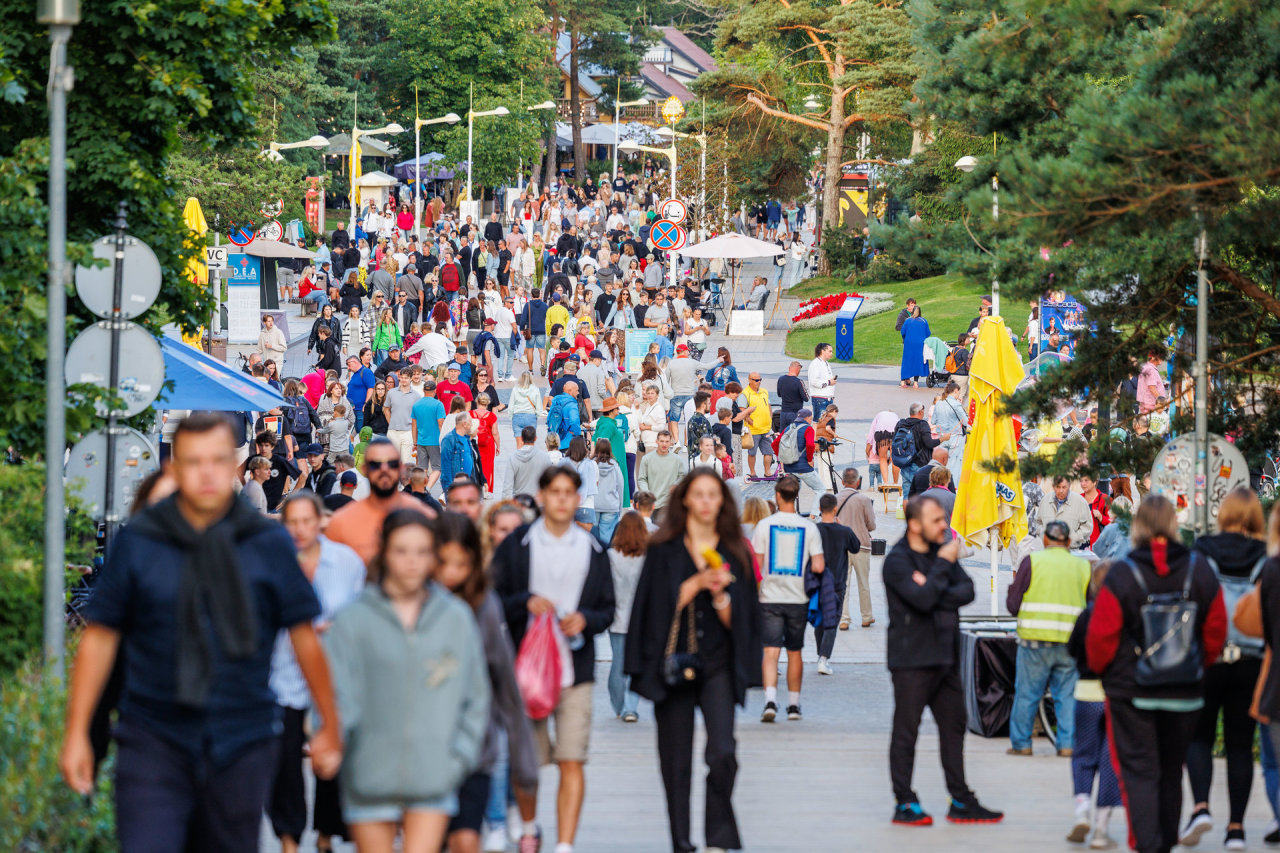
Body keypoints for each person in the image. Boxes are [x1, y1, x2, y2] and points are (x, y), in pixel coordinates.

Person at [59, 414, 344, 850]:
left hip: (241, 736)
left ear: (233, 464)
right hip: (153, 735)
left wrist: (328, 722)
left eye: (217, 459)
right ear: (175, 469)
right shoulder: (141, 543)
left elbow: (304, 636)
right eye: (194, 461)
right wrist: (77, 732)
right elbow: (99, 638)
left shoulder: (266, 543)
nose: (207, 471)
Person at [323, 509, 490, 853]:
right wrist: (332, 740)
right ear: (384, 552)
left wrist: (458, 759)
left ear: (433, 556)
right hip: (368, 773)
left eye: (421, 552)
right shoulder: (354, 618)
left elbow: (475, 695)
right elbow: (335, 689)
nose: (412, 562)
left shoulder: (455, 619)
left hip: (434, 774)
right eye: (401, 551)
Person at [625, 470, 761, 853]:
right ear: (685, 499)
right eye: (698, 494)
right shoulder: (664, 550)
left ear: (721, 502)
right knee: (676, 761)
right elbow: (647, 610)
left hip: (718, 663)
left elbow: (744, 621)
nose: (705, 502)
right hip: (673, 664)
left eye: (712, 495)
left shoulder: (735, 551)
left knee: (722, 752)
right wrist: (689, 588)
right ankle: (682, 842)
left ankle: (718, 837)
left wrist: (719, 596)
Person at [1085, 495, 1226, 853]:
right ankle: (1164, 843)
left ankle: (1149, 846)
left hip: (1132, 692)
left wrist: (1109, 675)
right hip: (1184, 691)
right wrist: (1196, 667)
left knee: (1139, 773)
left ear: (1139, 526)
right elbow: (1215, 632)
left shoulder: (1121, 572)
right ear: (1174, 525)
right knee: (1170, 772)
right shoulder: (1200, 570)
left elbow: (1100, 638)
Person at [490, 466, 617, 853]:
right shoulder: (519, 545)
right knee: (527, 763)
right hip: (527, 669)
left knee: (571, 758)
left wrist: (587, 620)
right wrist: (525, 603)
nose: (562, 499)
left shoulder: (593, 549)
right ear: (542, 496)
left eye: (569, 492)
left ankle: (564, 843)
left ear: (578, 499)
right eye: (554, 491)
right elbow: (498, 598)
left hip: (575, 670)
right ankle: (528, 825)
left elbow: (607, 608)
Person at [884, 494, 1003, 827]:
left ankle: (960, 799)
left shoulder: (941, 553)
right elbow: (920, 601)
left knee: (954, 728)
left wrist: (933, 586)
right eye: (936, 520)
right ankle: (904, 802)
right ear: (914, 524)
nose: (943, 525)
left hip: (945, 656)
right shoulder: (898, 561)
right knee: (906, 731)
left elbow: (966, 591)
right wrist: (939, 574)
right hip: (911, 660)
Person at [429, 513, 540, 853]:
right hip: (422, 747)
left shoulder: (484, 604)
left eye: (460, 564)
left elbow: (505, 681)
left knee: (465, 838)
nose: (450, 574)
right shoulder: (411, 602)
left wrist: (523, 757)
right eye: (442, 562)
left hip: (474, 745)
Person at [268, 493, 366, 853]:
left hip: (333, 677)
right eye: (292, 522)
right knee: (284, 765)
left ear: (320, 521)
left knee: (330, 764)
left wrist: (332, 629)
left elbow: (361, 617)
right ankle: (289, 839)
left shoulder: (346, 563)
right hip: (283, 678)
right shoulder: (272, 564)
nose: (300, 529)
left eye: (307, 521)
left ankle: (326, 834)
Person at [1181, 488, 1269, 849]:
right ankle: (1236, 829)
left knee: (1198, 735)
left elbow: (1192, 600)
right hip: (1252, 660)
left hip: (1210, 655)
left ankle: (1201, 807)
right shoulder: (1267, 556)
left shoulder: (1203, 551)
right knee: (1239, 745)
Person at [1004, 520, 1090, 757]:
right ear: (1069, 542)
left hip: (1034, 642)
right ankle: (1067, 744)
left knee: (1027, 694)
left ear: (1044, 541)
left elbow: (1012, 605)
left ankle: (1021, 745)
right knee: (1067, 696)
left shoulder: (1033, 562)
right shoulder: (1082, 567)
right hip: (1069, 644)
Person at [753, 475, 825, 722]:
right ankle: (793, 705)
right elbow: (818, 565)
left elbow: (757, 566)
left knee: (770, 652)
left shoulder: (764, 526)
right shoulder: (809, 528)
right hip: (798, 597)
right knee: (795, 652)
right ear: (796, 497)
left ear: (777, 496)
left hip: (769, 597)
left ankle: (770, 701)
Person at [1065, 559, 1124, 849]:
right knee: (1110, 761)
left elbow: (1072, 648)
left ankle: (1081, 811)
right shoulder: (1125, 616)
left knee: (1083, 757)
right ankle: (1102, 827)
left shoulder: (1086, 616)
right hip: (1115, 698)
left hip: (1086, 694)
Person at [326, 437, 437, 565]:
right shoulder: (340, 523)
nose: (384, 469)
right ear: (365, 468)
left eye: (391, 463)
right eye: (375, 464)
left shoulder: (424, 517)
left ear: (400, 468)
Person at [607, 511, 648, 723]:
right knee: (636, 663)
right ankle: (630, 707)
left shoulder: (611, 556)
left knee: (617, 662)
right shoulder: (648, 556)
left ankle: (618, 704)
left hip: (617, 616)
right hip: (641, 617)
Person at [814, 493, 860, 676]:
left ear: (819, 509)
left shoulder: (814, 530)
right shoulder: (844, 531)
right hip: (837, 581)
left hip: (817, 581)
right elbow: (856, 547)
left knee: (820, 619)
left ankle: (820, 655)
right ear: (835, 509)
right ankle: (824, 658)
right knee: (832, 620)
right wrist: (843, 526)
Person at [833, 467, 877, 629]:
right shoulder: (864, 499)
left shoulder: (834, 499)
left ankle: (844, 619)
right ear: (858, 481)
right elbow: (871, 525)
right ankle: (866, 616)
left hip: (840, 546)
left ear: (842, 481)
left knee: (842, 583)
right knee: (863, 583)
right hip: (861, 545)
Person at [778, 407, 824, 510]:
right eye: (811, 418)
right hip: (803, 468)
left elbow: (775, 443)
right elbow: (810, 445)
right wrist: (809, 459)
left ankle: (789, 514)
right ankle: (814, 515)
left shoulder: (789, 427)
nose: (811, 420)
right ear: (807, 418)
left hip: (788, 467)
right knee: (820, 489)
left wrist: (781, 460)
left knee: (791, 492)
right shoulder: (808, 429)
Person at [893, 402, 941, 499]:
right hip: (919, 464)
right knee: (920, 494)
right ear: (920, 412)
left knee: (906, 494)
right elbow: (929, 443)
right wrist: (942, 439)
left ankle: (907, 514)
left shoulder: (901, 423)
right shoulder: (922, 424)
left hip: (905, 463)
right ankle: (918, 513)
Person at [636, 432, 688, 518]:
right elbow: (642, 479)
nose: (664, 444)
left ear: (671, 442)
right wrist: (647, 493)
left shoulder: (677, 459)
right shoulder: (647, 459)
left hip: (668, 503)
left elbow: (683, 476)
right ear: (657, 441)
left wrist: (676, 484)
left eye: (667, 441)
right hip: (651, 503)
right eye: (662, 441)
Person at [1041, 475, 1093, 549]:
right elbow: (1038, 522)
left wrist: (1074, 538)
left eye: (1064, 487)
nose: (1061, 490)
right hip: (1048, 550)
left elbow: (1087, 526)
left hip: (1071, 550)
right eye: (1058, 487)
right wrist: (1044, 535)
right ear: (1053, 486)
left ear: (1069, 486)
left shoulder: (1080, 501)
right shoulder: (1045, 500)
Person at [741, 372, 776, 480]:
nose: (759, 382)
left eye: (760, 379)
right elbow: (741, 409)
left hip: (765, 429)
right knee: (752, 453)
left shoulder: (764, 391)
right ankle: (752, 472)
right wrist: (749, 420)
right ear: (750, 380)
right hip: (753, 430)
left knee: (769, 452)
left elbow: (769, 406)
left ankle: (767, 472)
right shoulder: (745, 393)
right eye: (756, 380)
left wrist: (770, 418)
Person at [899, 306, 929, 388]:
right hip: (920, 344)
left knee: (906, 361)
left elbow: (902, 332)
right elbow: (928, 333)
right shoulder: (923, 321)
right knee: (918, 361)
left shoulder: (908, 321)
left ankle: (902, 382)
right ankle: (915, 383)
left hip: (909, 344)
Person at [776, 361, 809, 433]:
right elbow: (806, 398)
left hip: (783, 412)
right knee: (794, 437)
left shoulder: (781, 379)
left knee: (783, 436)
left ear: (789, 368)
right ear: (798, 369)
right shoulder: (799, 381)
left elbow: (779, 394)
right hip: (795, 413)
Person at [1080, 472, 1110, 548]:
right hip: (1080, 543)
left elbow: (1114, 522)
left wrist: (1101, 517)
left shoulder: (1105, 499)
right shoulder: (1078, 499)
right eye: (1081, 481)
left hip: (1098, 545)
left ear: (1094, 482)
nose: (1083, 484)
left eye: (1086, 480)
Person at [808, 343, 837, 420]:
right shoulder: (816, 363)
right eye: (829, 351)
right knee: (819, 423)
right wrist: (829, 382)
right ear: (822, 351)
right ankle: (815, 432)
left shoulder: (826, 363)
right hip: (820, 399)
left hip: (828, 398)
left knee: (827, 423)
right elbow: (814, 381)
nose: (832, 353)